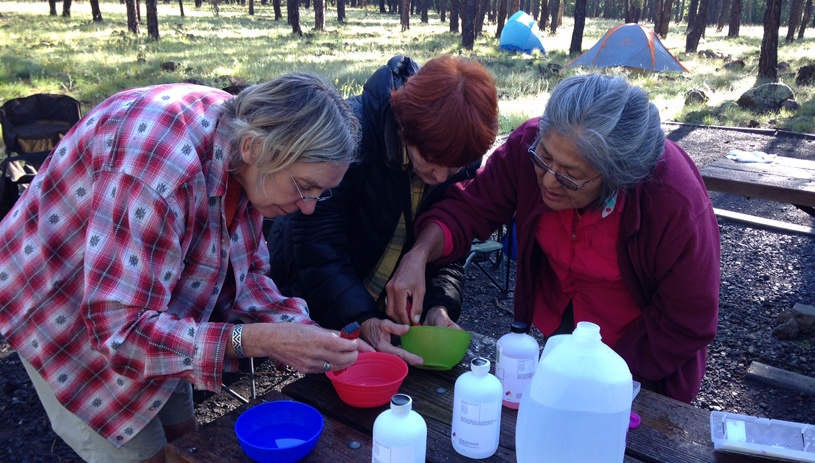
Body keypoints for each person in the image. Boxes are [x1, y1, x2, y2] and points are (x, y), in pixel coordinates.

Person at [0, 74, 372, 463]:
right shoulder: (159, 172)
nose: (310, 207)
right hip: (60, 298)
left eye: (320, 193)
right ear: (253, 147)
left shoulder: (246, 153)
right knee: (143, 453)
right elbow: (118, 334)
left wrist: (307, 333)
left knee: (186, 440)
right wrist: (255, 339)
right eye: (303, 187)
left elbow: (246, 276)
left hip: (148, 300)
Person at [386, 74, 720, 403]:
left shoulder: (673, 199)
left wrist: (607, 374)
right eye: (543, 159)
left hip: (643, 358)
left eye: (570, 176)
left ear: (616, 177)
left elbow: (689, 320)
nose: (547, 181)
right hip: (564, 329)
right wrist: (419, 253)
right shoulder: (530, 143)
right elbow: (470, 209)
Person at [267, 55, 499, 364]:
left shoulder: (461, 149)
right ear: (406, 127)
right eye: (431, 162)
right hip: (317, 298)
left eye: (454, 168)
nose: (442, 176)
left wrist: (438, 306)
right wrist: (362, 319)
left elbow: (449, 251)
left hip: (378, 317)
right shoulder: (353, 134)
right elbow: (317, 244)